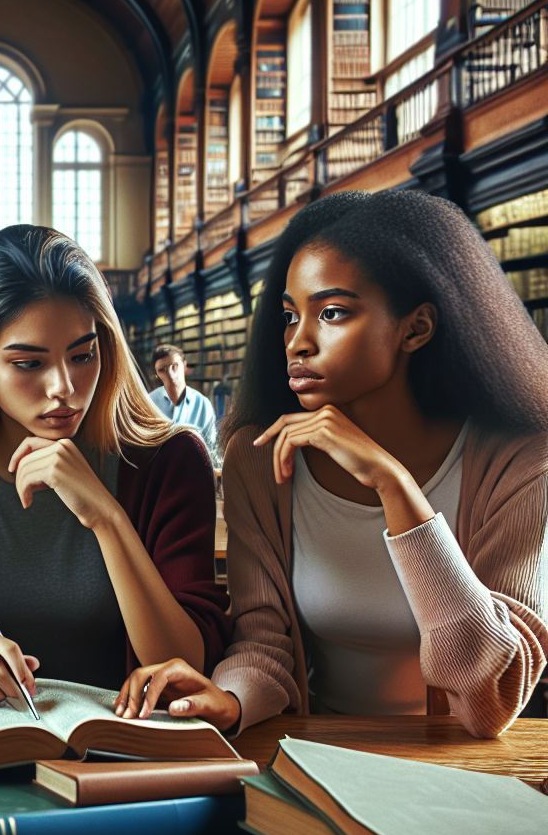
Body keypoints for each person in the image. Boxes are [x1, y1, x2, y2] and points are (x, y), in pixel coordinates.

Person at [117, 190, 548, 739]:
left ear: (415, 328)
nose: (298, 342)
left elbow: (491, 700)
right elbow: (263, 639)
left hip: (458, 761)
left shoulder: (519, 457)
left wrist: (393, 484)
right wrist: (230, 698)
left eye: (333, 313)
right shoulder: (260, 457)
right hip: (315, 751)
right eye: (290, 316)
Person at [0, 225, 229, 708]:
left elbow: (187, 668)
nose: (64, 387)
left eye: (83, 355)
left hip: (125, 751)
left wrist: (106, 517)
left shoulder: (167, 458)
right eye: (29, 364)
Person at [148, 344, 222, 467]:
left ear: (185, 366)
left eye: (174, 366)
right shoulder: (148, 404)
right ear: (156, 374)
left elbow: (211, 450)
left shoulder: (203, 404)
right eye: (162, 370)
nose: (170, 374)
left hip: (194, 473)